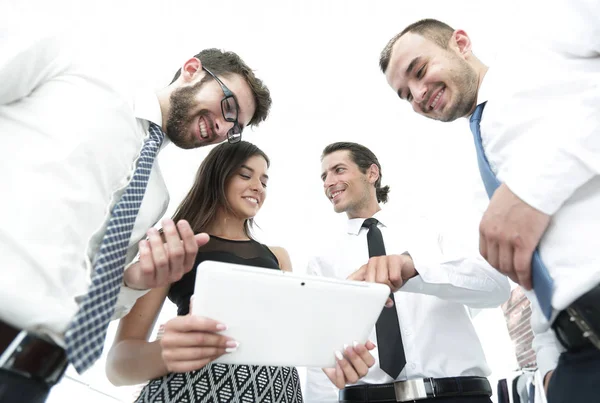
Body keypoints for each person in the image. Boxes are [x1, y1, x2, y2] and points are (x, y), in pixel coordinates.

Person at [0, 28, 272, 402]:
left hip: (31, 375)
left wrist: (136, 280)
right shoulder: (75, 67)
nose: (224, 128)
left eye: (234, 129)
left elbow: (95, 304)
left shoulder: (154, 199)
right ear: (192, 70)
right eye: (228, 107)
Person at [378, 6, 600, 402]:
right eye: (404, 94)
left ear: (460, 43)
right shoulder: (478, 174)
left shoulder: (539, 47)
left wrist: (533, 192)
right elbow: (511, 278)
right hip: (576, 355)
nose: (417, 95)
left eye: (418, 70)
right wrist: (548, 362)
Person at [305, 141, 510, 403]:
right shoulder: (322, 262)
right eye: (324, 176)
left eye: (338, 170)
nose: (329, 182)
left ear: (372, 173)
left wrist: (417, 272)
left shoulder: (429, 227)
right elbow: (320, 356)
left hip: (458, 395)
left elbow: (497, 288)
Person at [106, 141, 303, 403]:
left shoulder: (278, 257)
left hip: (276, 390)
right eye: (245, 175)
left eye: (264, 181)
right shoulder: (173, 244)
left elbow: (292, 339)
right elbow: (118, 366)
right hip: (193, 388)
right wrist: (166, 352)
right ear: (217, 177)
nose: (258, 186)